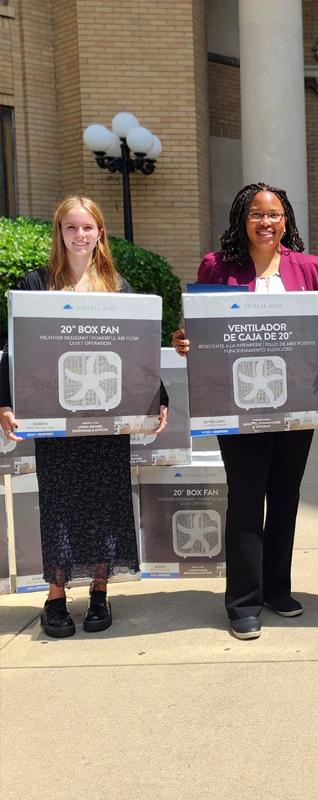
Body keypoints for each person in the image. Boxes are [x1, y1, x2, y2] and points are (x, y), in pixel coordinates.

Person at [172, 183, 318, 641]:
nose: (266, 222)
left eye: (275, 214)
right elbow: (197, 325)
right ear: (242, 219)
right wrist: (184, 340)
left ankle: (276, 589)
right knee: (246, 498)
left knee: (285, 494)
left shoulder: (308, 267)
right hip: (236, 401)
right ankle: (243, 602)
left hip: (295, 398)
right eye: (257, 214)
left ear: (286, 220)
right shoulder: (217, 266)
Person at [0, 196, 168, 638]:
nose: (79, 235)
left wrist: (158, 396)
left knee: (106, 504)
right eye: (71, 227)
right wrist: (5, 403)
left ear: (100, 233)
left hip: (108, 418)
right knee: (59, 505)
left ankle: (99, 591)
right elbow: (12, 349)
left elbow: (140, 350)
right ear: (59, 233)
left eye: (87, 227)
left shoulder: (117, 286)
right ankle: (55, 597)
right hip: (54, 419)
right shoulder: (35, 284)